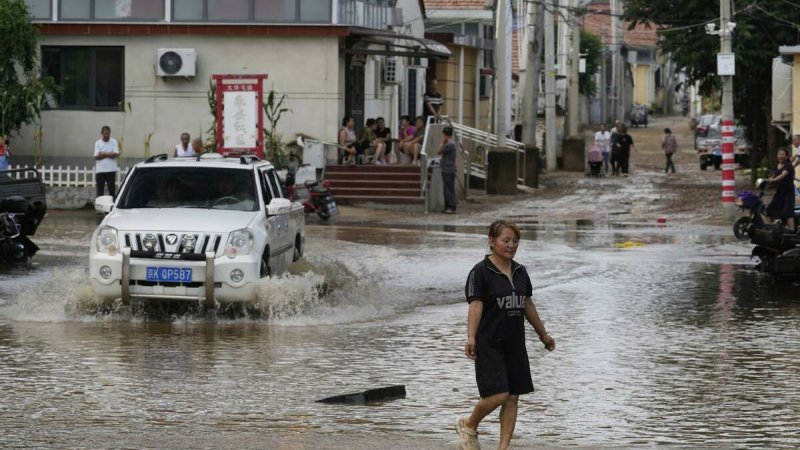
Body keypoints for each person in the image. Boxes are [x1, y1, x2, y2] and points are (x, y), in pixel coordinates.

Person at [457, 220, 556, 450]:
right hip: (489, 342)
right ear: (492, 241)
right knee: (499, 394)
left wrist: (543, 334)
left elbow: (527, 304)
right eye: (506, 240)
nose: (511, 245)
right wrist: (470, 337)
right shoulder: (480, 272)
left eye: (515, 241)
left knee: (512, 397)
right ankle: (469, 424)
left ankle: (503, 447)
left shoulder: (520, 271)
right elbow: (475, 306)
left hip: (515, 343)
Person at [767, 148, 796, 231]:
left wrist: (775, 179)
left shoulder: (788, 165)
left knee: (788, 213)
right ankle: (769, 230)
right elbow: (773, 175)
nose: (780, 156)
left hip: (788, 193)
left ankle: (791, 231)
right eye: (779, 154)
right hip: (779, 193)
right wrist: (770, 179)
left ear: (787, 156)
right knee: (770, 210)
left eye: (783, 154)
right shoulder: (777, 165)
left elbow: (784, 174)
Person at [94, 125, 120, 197]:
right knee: (100, 191)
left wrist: (103, 153)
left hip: (111, 170)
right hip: (100, 171)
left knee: (112, 190)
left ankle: (112, 206)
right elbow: (97, 157)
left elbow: (116, 154)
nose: (106, 135)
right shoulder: (98, 143)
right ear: (101, 133)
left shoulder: (114, 142)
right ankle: (100, 205)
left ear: (110, 133)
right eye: (105, 133)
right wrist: (110, 154)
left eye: (108, 133)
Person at [437, 126, 457, 214]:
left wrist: (442, 142)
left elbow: (439, 151)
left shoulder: (449, 144)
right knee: (447, 188)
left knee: (449, 188)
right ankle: (447, 206)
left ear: (445, 135)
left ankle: (451, 206)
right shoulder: (452, 143)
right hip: (448, 167)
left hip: (448, 168)